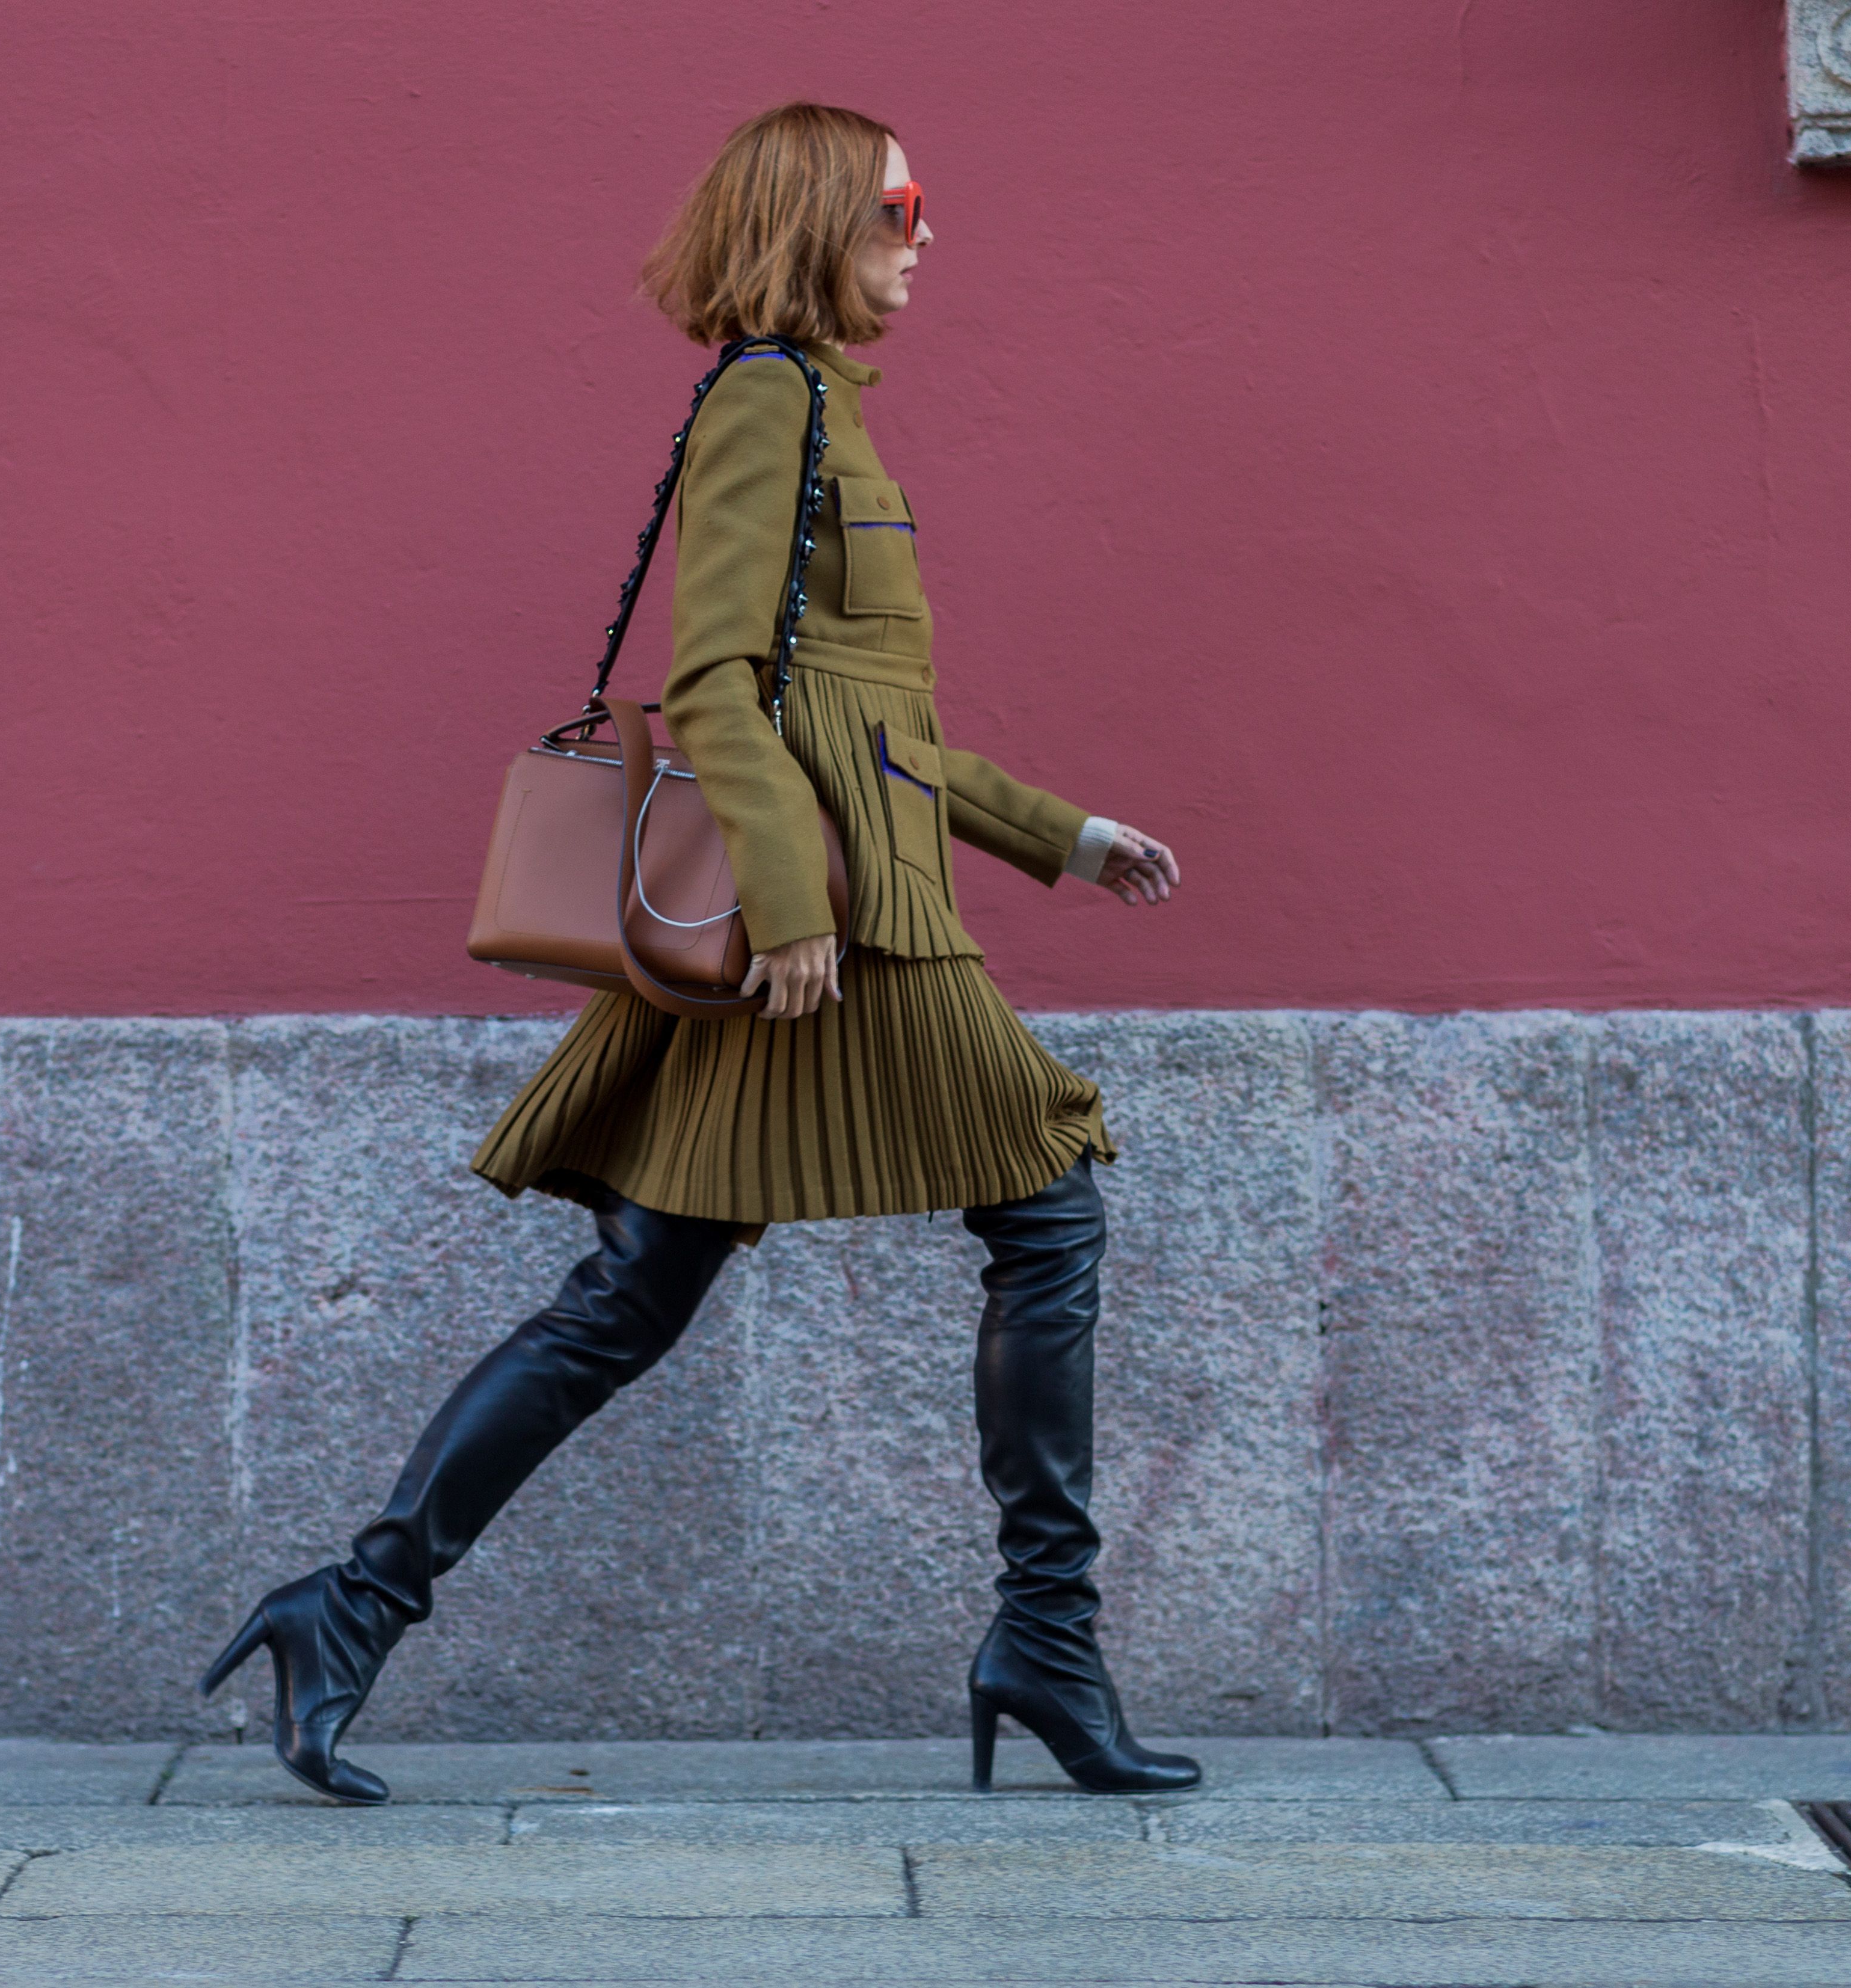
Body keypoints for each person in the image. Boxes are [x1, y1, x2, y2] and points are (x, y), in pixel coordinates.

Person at [203, 101, 1191, 1805]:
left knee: (631, 1296)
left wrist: (1060, 832)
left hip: (862, 918)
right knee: (1047, 1205)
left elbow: (868, 724)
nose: (925, 233)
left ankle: (348, 1608)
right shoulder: (767, 400)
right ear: (820, 219)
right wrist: (795, 907)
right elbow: (719, 679)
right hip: (841, 942)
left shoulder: (828, 417)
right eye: (902, 203)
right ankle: (1043, 1637)